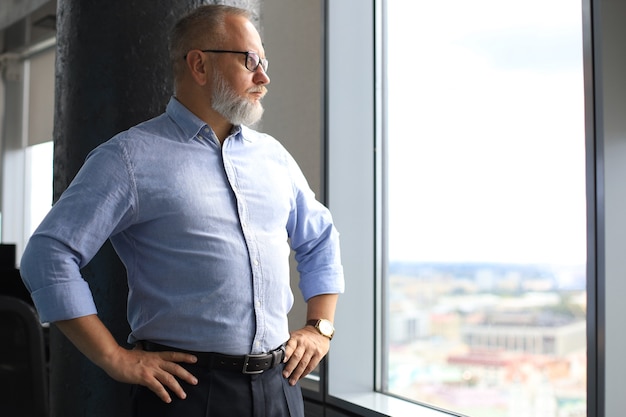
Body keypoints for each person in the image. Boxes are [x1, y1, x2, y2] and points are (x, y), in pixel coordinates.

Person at [20, 4, 344, 417]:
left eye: (264, 61)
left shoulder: (274, 159)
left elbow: (319, 238)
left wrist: (320, 328)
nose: (264, 76)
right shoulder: (129, 158)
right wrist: (113, 357)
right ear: (199, 64)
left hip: (280, 387)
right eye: (250, 61)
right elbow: (47, 256)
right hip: (188, 394)